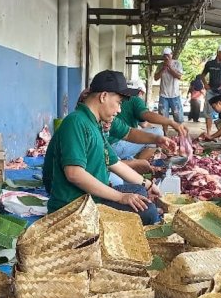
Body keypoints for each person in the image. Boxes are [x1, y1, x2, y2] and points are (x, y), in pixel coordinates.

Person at [44, 70, 161, 225]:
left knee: (140, 192)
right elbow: (74, 174)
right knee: (148, 212)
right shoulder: (76, 122)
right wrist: (120, 197)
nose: (119, 110)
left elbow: (115, 163)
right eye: (119, 102)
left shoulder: (94, 124)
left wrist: (148, 185)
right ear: (103, 96)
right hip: (75, 208)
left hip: (92, 198)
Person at [201, 45, 221, 136]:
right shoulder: (210, 63)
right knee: (208, 112)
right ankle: (208, 133)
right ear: (218, 52)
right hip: (211, 91)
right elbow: (202, 75)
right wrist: (205, 84)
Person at [154, 47, 185, 133]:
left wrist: (169, 68)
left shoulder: (177, 63)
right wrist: (163, 69)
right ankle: (165, 134)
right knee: (164, 117)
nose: (166, 58)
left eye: (168, 55)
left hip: (175, 95)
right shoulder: (160, 65)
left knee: (178, 117)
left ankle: (180, 134)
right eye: (164, 56)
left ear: (171, 55)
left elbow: (179, 76)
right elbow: (156, 78)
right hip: (164, 95)